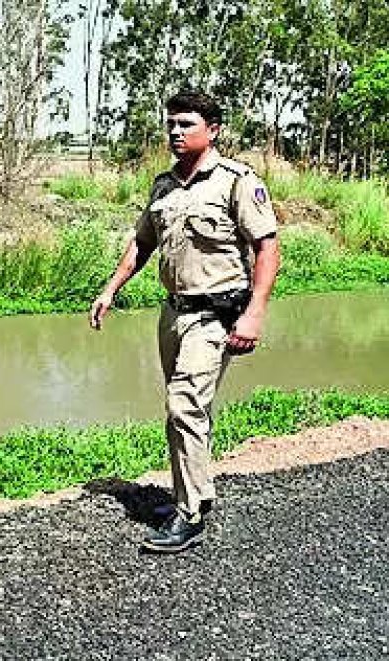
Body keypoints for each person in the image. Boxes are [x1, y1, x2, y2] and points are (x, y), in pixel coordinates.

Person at [89, 91, 280, 553]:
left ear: (212, 129)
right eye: (171, 123)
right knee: (185, 409)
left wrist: (254, 313)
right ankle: (190, 493)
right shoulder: (163, 186)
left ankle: (189, 512)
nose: (175, 132)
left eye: (186, 124)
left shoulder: (236, 181)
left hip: (216, 315)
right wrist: (111, 289)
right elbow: (141, 243)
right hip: (173, 314)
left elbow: (267, 247)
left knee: (184, 407)